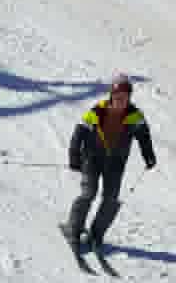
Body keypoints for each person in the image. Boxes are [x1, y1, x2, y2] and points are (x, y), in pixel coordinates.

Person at [63, 73, 156, 254]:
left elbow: (144, 137)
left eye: (125, 96)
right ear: (112, 95)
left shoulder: (135, 115)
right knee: (89, 193)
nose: (121, 100)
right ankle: (73, 229)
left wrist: (149, 156)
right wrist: (74, 155)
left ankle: (96, 234)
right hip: (92, 159)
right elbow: (79, 132)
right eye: (118, 96)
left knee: (111, 199)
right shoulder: (98, 110)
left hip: (116, 163)